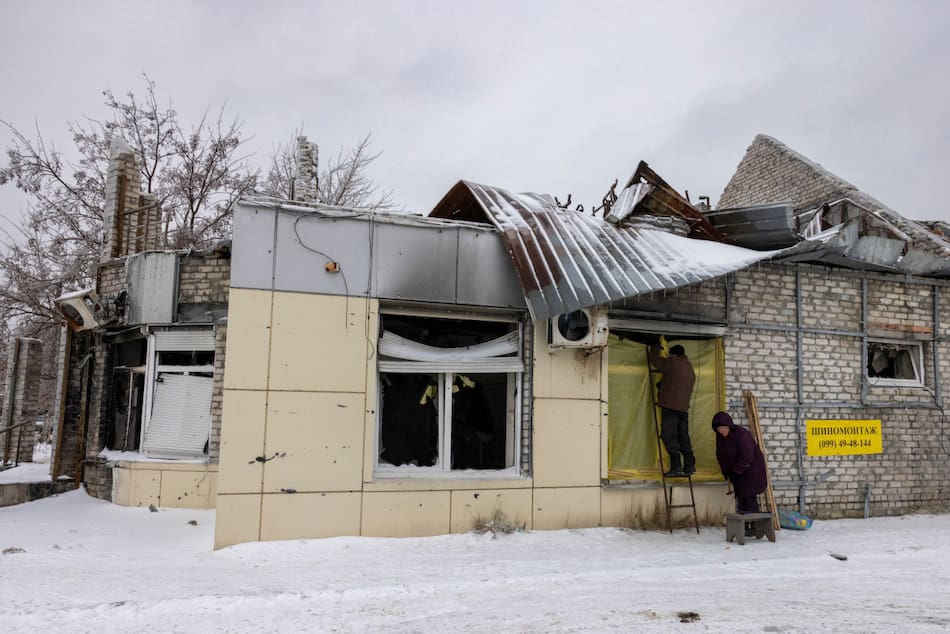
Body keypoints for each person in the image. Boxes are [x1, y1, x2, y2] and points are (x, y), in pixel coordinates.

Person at [648, 342, 696, 478]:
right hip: (683, 408)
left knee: (669, 435)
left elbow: (656, 361)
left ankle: (676, 466)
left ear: (674, 354)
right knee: (683, 436)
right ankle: (690, 464)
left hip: (670, 406)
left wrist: (655, 347)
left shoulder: (673, 362)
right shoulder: (689, 366)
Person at [711, 411, 767, 513]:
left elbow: (747, 455)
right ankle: (744, 526)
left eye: (724, 428)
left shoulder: (741, 434)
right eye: (719, 429)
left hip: (751, 470)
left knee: (749, 498)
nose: (722, 431)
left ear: (729, 426)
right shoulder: (720, 438)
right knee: (741, 497)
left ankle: (754, 525)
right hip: (738, 472)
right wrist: (726, 472)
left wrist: (736, 470)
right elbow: (720, 455)